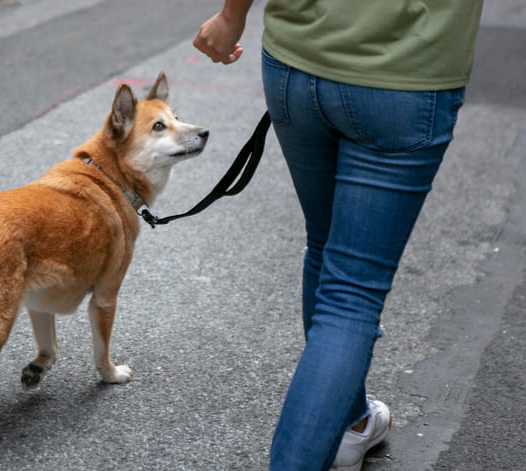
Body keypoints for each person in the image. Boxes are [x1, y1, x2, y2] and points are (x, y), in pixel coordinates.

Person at [193, 1, 483, 470]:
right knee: (351, 294)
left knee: (327, 247)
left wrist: (232, 14)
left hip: (297, 64)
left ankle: (351, 425)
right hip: (404, 71)